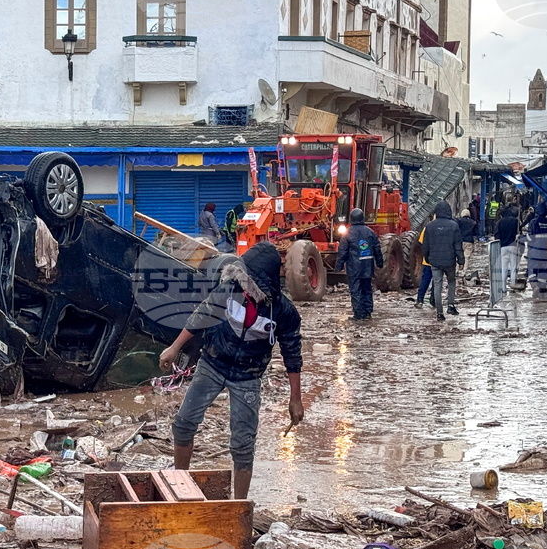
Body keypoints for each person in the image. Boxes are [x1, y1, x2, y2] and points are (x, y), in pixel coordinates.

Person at [160, 242, 304, 499]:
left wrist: (295, 398)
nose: (245, 282)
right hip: (213, 364)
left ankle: (239, 504)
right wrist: (174, 348)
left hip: (247, 377)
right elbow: (201, 315)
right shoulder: (229, 289)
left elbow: (292, 355)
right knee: (183, 425)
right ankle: (180, 483)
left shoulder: (282, 312)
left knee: (243, 444)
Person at [335, 208, 383, 320]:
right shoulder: (370, 231)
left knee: (356, 291)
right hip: (368, 266)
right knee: (367, 289)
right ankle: (368, 312)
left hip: (354, 268)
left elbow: (343, 252)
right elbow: (377, 248)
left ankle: (359, 314)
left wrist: (338, 267)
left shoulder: (347, 233)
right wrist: (380, 263)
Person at [422, 202, 464, 322]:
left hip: (434, 261)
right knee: (451, 282)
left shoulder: (429, 227)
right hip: (450, 261)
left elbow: (425, 246)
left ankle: (439, 313)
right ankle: (450, 306)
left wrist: (427, 258)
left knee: (437, 284)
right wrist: (461, 260)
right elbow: (458, 246)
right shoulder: (454, 226)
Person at [527, 201, 547, 296]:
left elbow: (530, 238)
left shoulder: (533, 222)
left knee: (531, 270)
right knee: (544, 271)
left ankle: (535, 286)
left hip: (535, 251)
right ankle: (542, 291)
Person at [495, 206, 520, 292]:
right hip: (513, 246)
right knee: (513, 268)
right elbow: (519, 233)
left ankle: (503, 288)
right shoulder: (516, 221)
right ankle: (513, 285)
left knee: (504, 268)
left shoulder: (500, 222)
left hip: (503, 247)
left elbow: (496, 236)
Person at [414, 223, 433, 310]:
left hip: (428, 261)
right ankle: (434, 301)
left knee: (425, 280)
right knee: (437, 282)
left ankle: (420, 300)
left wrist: (426, 255)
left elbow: (421, 243)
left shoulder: (427, 228)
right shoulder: (449, 226)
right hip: (441, 261)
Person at [457, 208, 477, 274]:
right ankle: (464, 271)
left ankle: (457, 269)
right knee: (467, 257)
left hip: (460, 241)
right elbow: (476, 232)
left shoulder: (459, 221)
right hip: (469, 241)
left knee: (458, 255)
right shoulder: (473, 222)